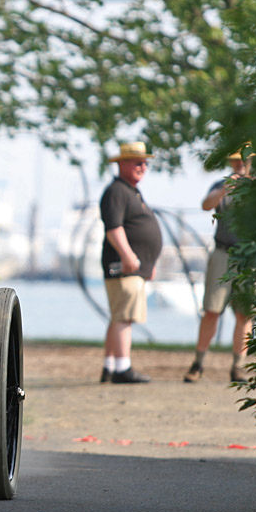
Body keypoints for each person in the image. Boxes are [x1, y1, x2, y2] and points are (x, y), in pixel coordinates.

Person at [183, 145, 255, 383]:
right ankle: (198, 362)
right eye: (235, 161)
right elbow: (205, 205)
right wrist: (226, 189)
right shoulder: (221, 184)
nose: (239, 164)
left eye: (243, 160)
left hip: (250, 257)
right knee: (212, 310)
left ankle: (238, 366)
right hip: (223, 253)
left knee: (245, 314)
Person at [99, 141, 163, 384]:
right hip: (124, 266)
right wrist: (127, 256)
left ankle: (110, 365)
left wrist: (149, 262)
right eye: (138, 162)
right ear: (122, 164)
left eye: (145, 163)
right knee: (124, 316)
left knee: (118, 315)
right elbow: (114, 229)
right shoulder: (117, 191)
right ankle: (122, 368)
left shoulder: (131, 191)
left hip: (136, 266)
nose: (143, 167)